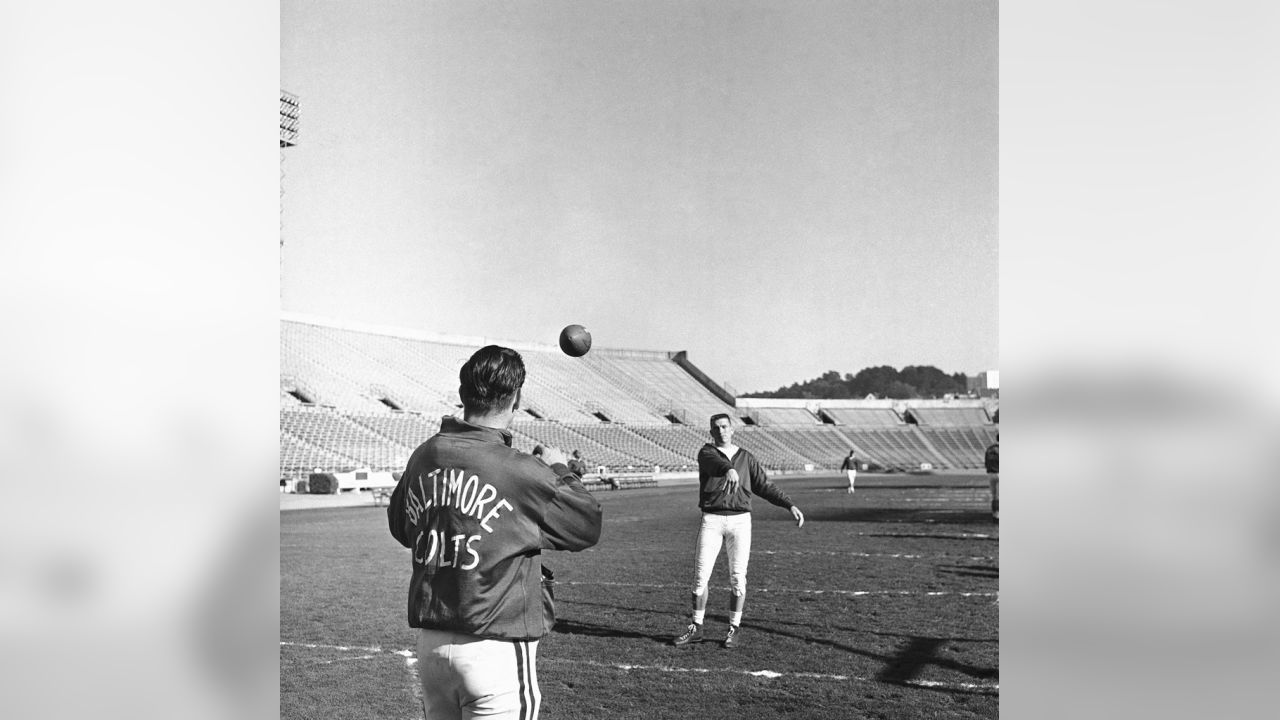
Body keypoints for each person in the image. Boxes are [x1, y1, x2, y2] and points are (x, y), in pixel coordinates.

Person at [388, 345, 603, 720]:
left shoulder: (423, 455)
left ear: (461, 394)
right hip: (495, 646)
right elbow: (586, 526)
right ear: (516, 398)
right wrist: (561, 469)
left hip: (432, 646)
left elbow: (401, 527)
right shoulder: (520, 469)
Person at [672, 413, 804, 649]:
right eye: (716, 427)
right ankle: (697, 627)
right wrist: (728, 469)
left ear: (732, 430)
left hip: (741, 521)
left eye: (724, 426)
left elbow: (764, 486)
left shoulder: (746, 457)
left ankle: (734, 628)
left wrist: (789, 504)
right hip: (712, 519)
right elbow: (716, 464)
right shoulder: (707, 452)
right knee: (700, 577)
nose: (721, 430)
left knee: (738, 578)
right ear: (711, 432)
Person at [984, 433, 999, 522]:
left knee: (994, 496)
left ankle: (995, 514)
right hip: (1000, 473)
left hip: (990, 474)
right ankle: (997, 516)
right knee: (999, 496)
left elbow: (986, 462)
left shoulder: (989, 449)